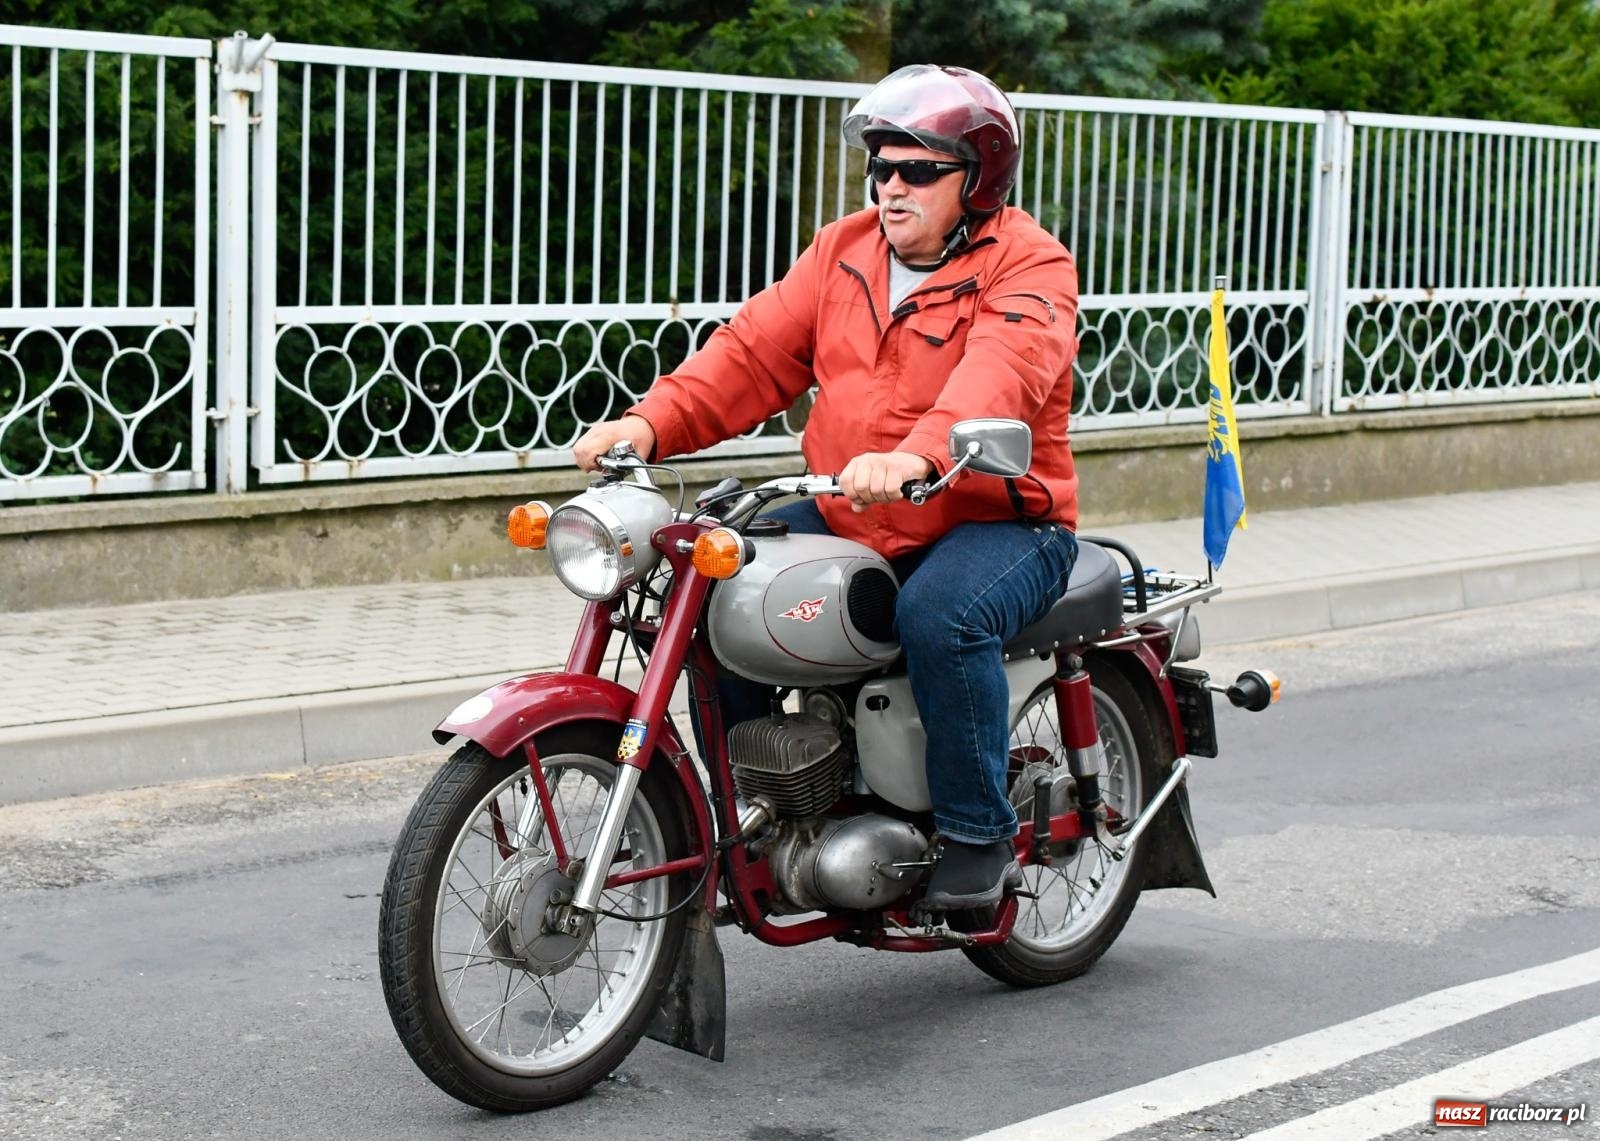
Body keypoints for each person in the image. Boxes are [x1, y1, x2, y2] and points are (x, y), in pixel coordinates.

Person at [574, 64, 1081, 912]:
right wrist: (650, 424)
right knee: (717, 574)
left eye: (918, 168)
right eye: (881, 165)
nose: (891, 186)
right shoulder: (842, 252)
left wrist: (921, 455)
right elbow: (750, 354)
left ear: (979, 176)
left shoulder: (1029, 264)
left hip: (1000, 519)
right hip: (860, 514)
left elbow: (1003, 373)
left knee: (940, 615)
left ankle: (976, 832)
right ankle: (758, 808)